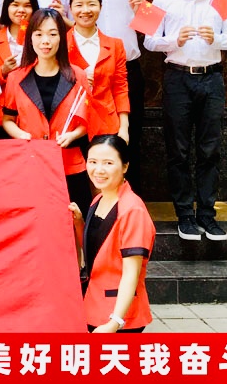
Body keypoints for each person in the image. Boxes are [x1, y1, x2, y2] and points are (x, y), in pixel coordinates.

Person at [144, 0, 227, 242]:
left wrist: (216, 39)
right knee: (179, 150)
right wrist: (174, 40)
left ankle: (208, 216)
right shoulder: (162, 0)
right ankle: (185, 216)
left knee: (210, 149)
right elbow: (148, 41)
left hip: (211, 78)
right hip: (177, 79)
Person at [71, 0, 145, 192]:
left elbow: (149, 29)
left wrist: (141, 10)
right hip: (87, 74)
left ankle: (127, 199)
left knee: (128, 138)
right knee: (86, 141)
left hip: (125, 71)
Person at [2, 8, 91, 210]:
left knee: (74, 220)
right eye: (39, 34)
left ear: (61, 38)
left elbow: (86, 122)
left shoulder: (77, 76)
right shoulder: (16, 77)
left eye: (52, 34)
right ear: (30, 38)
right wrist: (20, 134)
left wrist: (72, 135)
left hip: (69, 163)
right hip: (30, 161)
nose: (45, 41)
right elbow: (7, 119)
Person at [69, 135, 155, 333]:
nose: (98, 170)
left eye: (108, 163)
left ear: (125, 166)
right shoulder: (98, 200)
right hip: (94, 302)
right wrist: (79, 222)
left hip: (118, 313)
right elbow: (98, 250)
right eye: (93, 162)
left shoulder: (133, 210)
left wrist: (114, 322)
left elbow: (131, 273)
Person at [67, 0, 130, 141]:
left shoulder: (115, 45)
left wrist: (124, 128)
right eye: (79, 5)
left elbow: (120, 88)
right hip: (69, 125)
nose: (85, 10)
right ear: (70, 8)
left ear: (100, 7)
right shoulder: (59, 44)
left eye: (91, 4)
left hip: (106, 124)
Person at [0, 0, 39, 129]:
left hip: (32, 117)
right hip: (0, 116)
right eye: (15, 5)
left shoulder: (40, 40)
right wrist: (2, 71)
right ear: (7, 7)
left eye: (27, 5)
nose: (21, 10)